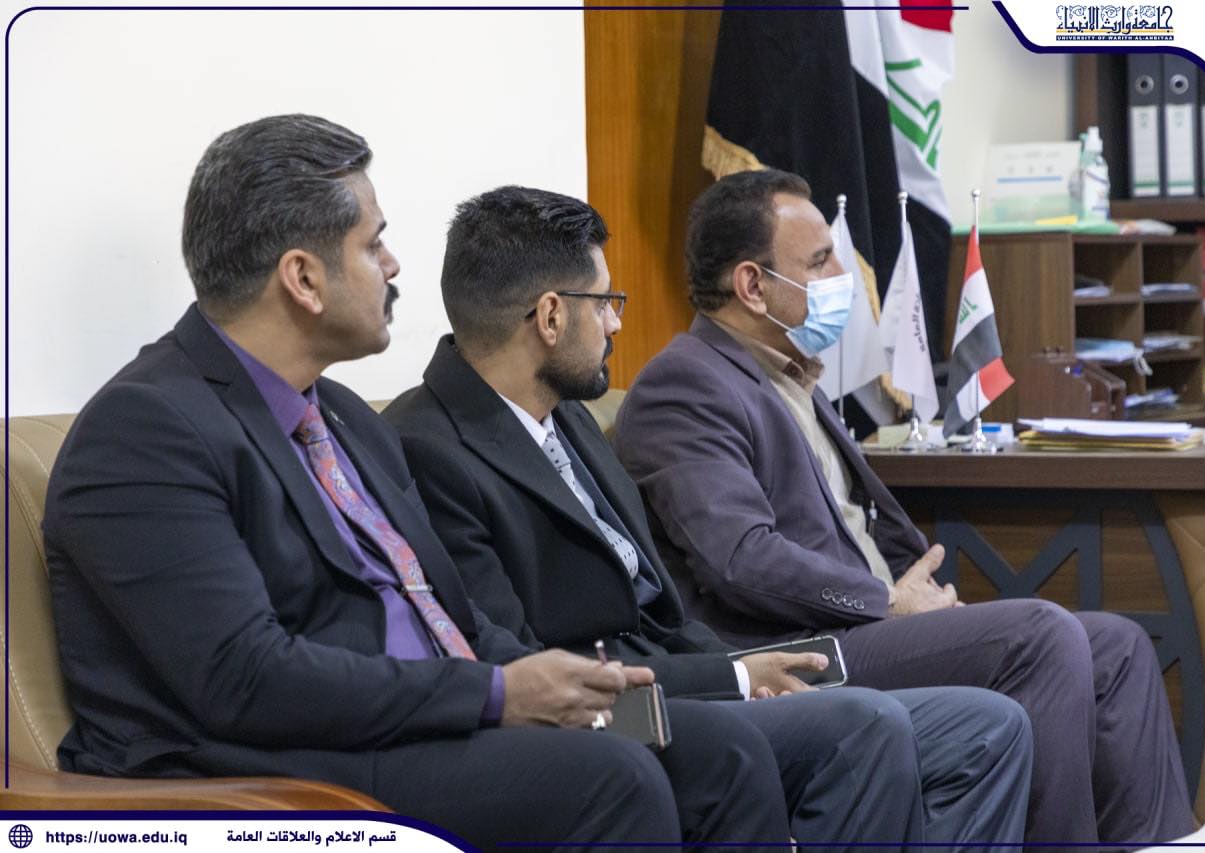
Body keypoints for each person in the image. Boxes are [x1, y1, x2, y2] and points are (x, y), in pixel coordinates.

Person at [42, 115, 804, 850]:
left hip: (417, 718)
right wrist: (498, 696)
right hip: (261, 763)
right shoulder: (146, 429)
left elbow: (449, 614)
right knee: (613, 779)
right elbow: (241, 679)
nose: (395, 266)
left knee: (719, 752)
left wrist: (564, 679)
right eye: (373, 243)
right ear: (303, 277)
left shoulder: (343, 415)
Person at [382, 185, 1033, 848]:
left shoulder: (568, 416)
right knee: (864, 726)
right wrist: (736, 677)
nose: (615, 324)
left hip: (690, 673)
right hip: (608, 712)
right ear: (550, 316)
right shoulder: (426, 446)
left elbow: (661, 613)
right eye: (604, 303)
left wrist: (750, 669)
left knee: (988, 727)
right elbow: (519, 664)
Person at [612, 168, 1196, 850]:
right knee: (1039, 635)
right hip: (799, 646)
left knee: (1118, 646)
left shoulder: (793, 375)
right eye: (820, 261)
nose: (844, 277)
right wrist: (886, 601)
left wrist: (925, 600)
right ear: (752, 284)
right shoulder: (685, 383)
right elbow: (741, 558)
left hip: (870, 621)